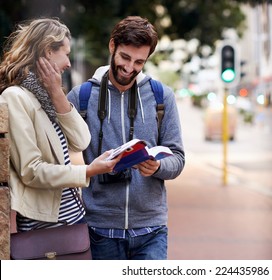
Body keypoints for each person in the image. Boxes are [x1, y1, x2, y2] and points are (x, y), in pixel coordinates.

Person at [67, 16, 185, 260]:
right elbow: (58, 154)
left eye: (139, 62)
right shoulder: (82, 96)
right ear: (112, 46)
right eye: (125, 57)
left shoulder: (162, 97)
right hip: (99, 230)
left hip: (151, 230)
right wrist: (90, 168)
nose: (130, 68)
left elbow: (178, 158)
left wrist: (158, 167)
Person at [0, 18, 122, 232]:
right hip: (45, 225)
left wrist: (57, 93)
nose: (68, 63)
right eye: (65, 54)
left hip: (73, 216)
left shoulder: (47, 95)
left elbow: (82, 141)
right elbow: (31, 171)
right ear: (48, 50)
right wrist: (88, 171)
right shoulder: (15, 97)